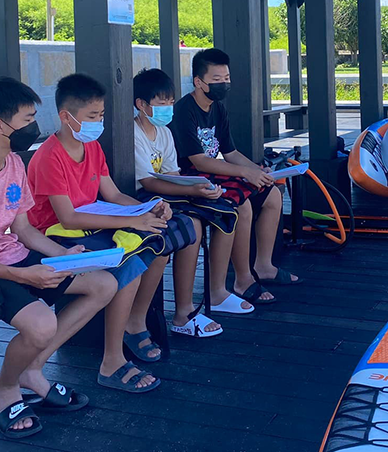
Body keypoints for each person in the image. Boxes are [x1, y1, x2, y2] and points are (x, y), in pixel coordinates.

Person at [0, 77, 117, 438]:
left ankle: (33, 369)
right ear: (0, 125)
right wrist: (26, 277)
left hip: (9, 254)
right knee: (41, 323)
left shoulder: (13, 163)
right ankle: (5, 386)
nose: (34, 127)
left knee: (102, 283)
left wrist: (64, 256)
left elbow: (24, 230)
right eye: (27, 119)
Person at [28, 73, 187, 393]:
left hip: (90, 229)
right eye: (91, 117)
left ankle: (116, 352)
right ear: (66, 117)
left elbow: (113, 196)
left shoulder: (93, 149)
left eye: (100, 115)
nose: (98, 122)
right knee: (128, 262)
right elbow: (68, 218)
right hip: (55, 238)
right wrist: (134, 221)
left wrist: (148, 208)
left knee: (147, 248)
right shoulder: (50, 156)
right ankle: (112, 358)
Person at [169, 48, 296, 310]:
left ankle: (264, 266)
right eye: (217, 79)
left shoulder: (219, 109)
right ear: (199, 82)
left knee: (272, 194)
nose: (223, 84)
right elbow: (198, 160)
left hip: (217, 171)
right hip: (192, 176)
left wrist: (257, 171)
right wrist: (245, 173)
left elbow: (230, 152)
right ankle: (242, 279)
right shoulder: (184, 110)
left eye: (226, 78)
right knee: (242, 204)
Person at [132, 67, 244, 337]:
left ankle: (197, 303)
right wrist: (192, 191)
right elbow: (148, 182)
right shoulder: (133, 134)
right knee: (190, 225)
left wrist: (199, 188)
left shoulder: (164, 133)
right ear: (141, 105)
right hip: (141, 197)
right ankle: (183, 312)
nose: (168, 108)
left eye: (171, 102)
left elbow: (172, 175)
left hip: (166, 193)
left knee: (224, 207)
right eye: (162, 103)